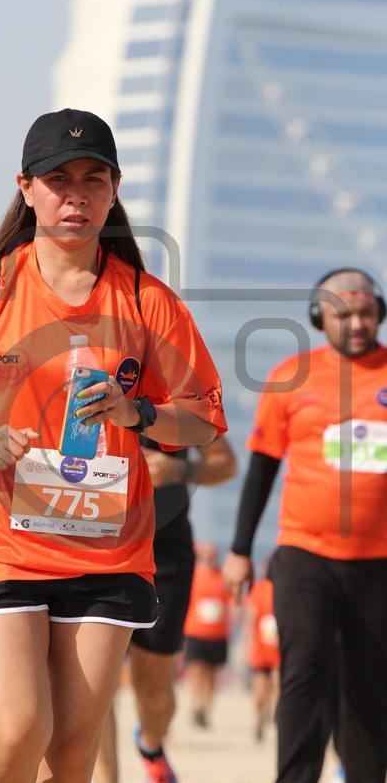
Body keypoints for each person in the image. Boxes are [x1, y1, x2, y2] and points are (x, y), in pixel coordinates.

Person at [0, 108, 227, 783]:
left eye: (94, 179)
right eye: (58, 179)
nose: (76, 196)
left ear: (115, 190)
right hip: (1, 539)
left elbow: (203, 420)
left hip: (109, 547)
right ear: (27, 187)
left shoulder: (147, 300)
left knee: (70, 752)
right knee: (18, 729)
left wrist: (138, 410)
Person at [222, 268, 387, 783]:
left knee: (370, 685)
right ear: (319, 318)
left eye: (365, 312)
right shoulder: (290, 377)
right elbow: (262, 469)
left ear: (379, 314)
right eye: (343, 314)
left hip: (379, 562)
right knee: (305, 670)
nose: (356, 323)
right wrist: (240, 550)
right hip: (304, 555)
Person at [94, 436, 237, 783]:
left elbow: (227, 464)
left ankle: (150, 745)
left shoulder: (179, 401)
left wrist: (178, 469)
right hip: (96, 544)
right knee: (95, 686)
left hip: (165, 555)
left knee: (155, 694)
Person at [183, 542, 231, 730]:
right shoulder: (193, 575)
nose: (211, 557)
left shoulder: (222, 576)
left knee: (211, 674)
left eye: (213, 553)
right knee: (195, 670)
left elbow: (232, 602)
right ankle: (195, 704)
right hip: (195, 630)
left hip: (217, 633)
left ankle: (205, 707)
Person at [245, 565, 280, 742]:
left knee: (278, 687)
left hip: (279, 651)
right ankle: (259, 720)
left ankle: (276, 718)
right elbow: (250, 620)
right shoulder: (257, 590)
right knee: (260, 691)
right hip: (261, 649)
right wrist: (247, 646)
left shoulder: (285, 587)